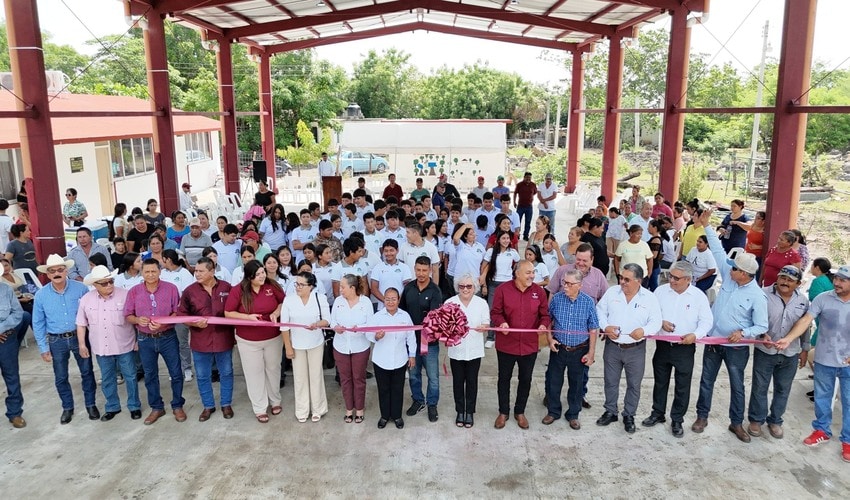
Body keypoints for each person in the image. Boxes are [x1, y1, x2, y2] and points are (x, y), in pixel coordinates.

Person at [692, 209, 768, 443]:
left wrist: (743, 333)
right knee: (706, 380)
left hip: (736, 348)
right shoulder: (730, 275)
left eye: (734, 268)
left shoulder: (757, 296)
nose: (729, 269)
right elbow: (718, 250)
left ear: (745, 274)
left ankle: (736, 423)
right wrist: (706, 226)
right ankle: (701, 417)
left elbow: (761, 325)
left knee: (737, 386)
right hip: (714, 343)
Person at [774, 265, 850, 462]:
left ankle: (848, 441)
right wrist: (789, 338)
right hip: (824, 358)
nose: (837, 282)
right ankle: (821, 430)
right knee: (822, 397)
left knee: (849, 402)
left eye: (843, 280)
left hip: (848, 362)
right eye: (837, 278)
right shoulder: (823, 298)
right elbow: (806, 320)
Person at [642, 261, 713, 437]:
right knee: (660, 381)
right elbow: (650, 314)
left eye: (676, 278)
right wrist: (660, 323)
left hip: (685, 348)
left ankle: (677, 419)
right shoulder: (660, 291)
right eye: (670, 276)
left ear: (688, 279)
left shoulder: (698, 296)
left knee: (682, 385)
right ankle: (657, 413)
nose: (671, 280)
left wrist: (695, 335)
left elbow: (707, 322)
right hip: (663, 345)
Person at [595, 264, 663, 433]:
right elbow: (599, 311)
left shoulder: (649, 298)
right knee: (610, 381)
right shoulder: (612, 293)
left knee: (634, 384)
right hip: (613, 346)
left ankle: (629, 415)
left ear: (638, 281)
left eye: (627, 279)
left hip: (636, 349)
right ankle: (610, 411)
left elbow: (656, 321)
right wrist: (605, 326)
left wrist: (644, 331)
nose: (622, 282)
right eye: (620, 277)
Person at [745, 265, 810, 439]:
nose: (784, 282)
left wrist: (804, 349)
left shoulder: (803, 301)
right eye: (782, 278)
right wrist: (760, 334)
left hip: (790, 352)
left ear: (798, 283)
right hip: (765, 350)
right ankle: (756, 420)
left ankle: (775, 420)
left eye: (790, 280)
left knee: (783, 388)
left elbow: (805, 326)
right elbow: (751, 318)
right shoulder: (762, 294)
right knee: (760, 387)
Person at [32, 254, 99, 424]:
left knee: (87, 372)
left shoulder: (81, 289)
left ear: (66, 271)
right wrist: (43, 348)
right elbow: (38, 323)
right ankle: (67, 407)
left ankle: (91, 404)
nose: (57, 273)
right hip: (56, 340)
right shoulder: (41, 295)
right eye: (52, 271)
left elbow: (91, 315)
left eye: (60, 270)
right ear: (47, 274)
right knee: (61, 376)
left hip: (79, 337)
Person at [76, 265, 141, 422]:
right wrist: (82, 344)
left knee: (131, 376)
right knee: (107, 378)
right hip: (101, 347)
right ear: (95, 285)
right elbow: (81, 323)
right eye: (104, 283)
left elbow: (136, 318)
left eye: (110, 281)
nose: (109, 285)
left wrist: (138, 340)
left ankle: (134, 406)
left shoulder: (125, 295)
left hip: (124, 345)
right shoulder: (86, 299)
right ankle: (112, 406)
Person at [491, 260, 551, 430]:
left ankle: (520, 411)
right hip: (506, 344)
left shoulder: (539, 292)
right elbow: (495, 312)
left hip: (529, 346)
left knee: (525, 379)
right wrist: (501, 323)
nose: (532, 275)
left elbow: (545, 315)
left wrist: (542, 325)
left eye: (533, 272)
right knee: (504, 379)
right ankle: (503, 412)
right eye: (528, 272)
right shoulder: (503, 290)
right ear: (517, 273)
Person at [124, 259, 184, 425]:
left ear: (160, 271)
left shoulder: (171, 289)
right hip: (145, 339)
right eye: (147, 272)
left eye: (153, 271)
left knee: (176, 372)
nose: (150, 275)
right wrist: (137, 319)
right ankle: (157, 407)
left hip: (168, 336)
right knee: (150, 375)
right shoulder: (134, 292)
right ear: (141, 273)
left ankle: (178, 405)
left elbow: (177, 313)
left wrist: (164, 322)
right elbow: (128, 315)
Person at [224, 260, 284, 423]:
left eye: (263, 272)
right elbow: (228, 313)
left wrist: (276, 312)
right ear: (250, 276)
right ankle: (259, 407)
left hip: (273, 337)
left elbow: (283, 302)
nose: (262, 276)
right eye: (258, 274)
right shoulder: (239, 290)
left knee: (273, 369)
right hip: (248, 340)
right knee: (254, 373)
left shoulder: (272, 286)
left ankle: (275, 401)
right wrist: (247, 317)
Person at [177, 257, 235, 421]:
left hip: (224, 338)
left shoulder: (226, 287)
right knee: (202, 375)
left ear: (212, 271)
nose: (197, 274)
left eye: (201, 271)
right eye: (196, 271)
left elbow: (234, 310)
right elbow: (182, 315)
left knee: (227, 373)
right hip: (200, 340)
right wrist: (193, 322)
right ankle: (208, 406)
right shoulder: (189, 291)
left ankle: (226, 404)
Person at [544, 268, 599, 430]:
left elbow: (593, 328)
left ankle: (573, 414)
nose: (565, 287)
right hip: (559, 348)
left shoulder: (588, 302)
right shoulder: (557, 299)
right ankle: (553, 411)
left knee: (576, 384)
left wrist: (591, 352)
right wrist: (549, 339)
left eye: (569, 284)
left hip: (579, 350)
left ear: (580, 285)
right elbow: (548, 320)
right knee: (553, 381)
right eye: (564, 283)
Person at [281, 271, 330, 423]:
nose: (298, 287)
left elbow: (327, 320)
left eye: (302, 284)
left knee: (316, 376)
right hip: (297, 345)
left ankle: (318, 408)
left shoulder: (319, 298)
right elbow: (284, 327)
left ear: (311, 286)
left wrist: (316, 325)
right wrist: (288, 347)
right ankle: (302, 410)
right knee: (300, 378)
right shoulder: (289, 300)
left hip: (315, 342)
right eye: (296, 284)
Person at [401, 256, 444, 422]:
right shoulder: (409, 288)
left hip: (430, 343)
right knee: (413, 374)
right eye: (418, 270)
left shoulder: (435, 291)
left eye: (424, 270)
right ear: (414, 268)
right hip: (411, 342)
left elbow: (435, 318)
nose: (421, 273)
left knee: (433, 377)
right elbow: (402, 313)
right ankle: (418, 400)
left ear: (430, 271)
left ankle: (432, 404)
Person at [366, 287, 416, 429]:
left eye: (394, 299)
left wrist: (412, 355)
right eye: (387, 299)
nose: (390, 302)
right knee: (383, 389)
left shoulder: (405, 316)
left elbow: (411, 337)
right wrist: (376, 336)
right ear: (384, 300)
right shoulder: (377, 317)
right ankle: (384, 416)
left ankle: (397, 416)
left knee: (398, 389)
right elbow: (368, 334)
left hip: (400, 359)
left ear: (398, 300)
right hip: (381, 360)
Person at [445, 274, 490, 428]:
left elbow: (486, 323)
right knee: (458, 382)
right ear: (457, 287)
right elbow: (443, 326)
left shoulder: (481, 303)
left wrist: (484, 328)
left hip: (474, 350)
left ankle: (469, 411)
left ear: (475, 288)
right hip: (456, 350)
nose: (465, 289)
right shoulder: (450, 302)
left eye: (469, 286)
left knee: (471, 382)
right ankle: (460, 410)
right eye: (462, 286)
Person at [330, 273, 373, 423]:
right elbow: (332, 321)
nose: (340, 289)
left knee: (358, 378)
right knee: (345, 379)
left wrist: (359, 328)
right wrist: (336, 327)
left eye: (343, 287)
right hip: (341, 346)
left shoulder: (365, 302)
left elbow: (371, 324)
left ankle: (359, 409)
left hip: (360, 346)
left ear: (352, 288)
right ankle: (349, 409)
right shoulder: (338, 302)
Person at [0, 281, 26, 428]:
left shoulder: (5, 289)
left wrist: (1, 328)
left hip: (6, 339)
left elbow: (18, 313)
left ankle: (15, 413)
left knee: (12, 376)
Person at [370, 239, 412, 309]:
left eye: (391, 250)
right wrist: (386, 301)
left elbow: (407, 287)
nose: (389, 253)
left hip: (400, 307)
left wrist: (397, 302)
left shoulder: (404, 267)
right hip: (382, 308)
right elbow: (374, 288)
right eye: (386, 251)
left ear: (397, 250)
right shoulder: (377, 267)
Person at [513, 172, 537, 241]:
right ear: (524, 177)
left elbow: (534, 192)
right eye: (527, 177)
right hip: (520, 206)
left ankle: (526, 235)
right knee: (518, 221)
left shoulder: (533, 185)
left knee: (528, 222)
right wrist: (514, 202)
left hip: (529, 207)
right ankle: (517, 235)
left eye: (529, 178)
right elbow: (515, 193)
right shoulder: (519, 185)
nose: (528, 179)